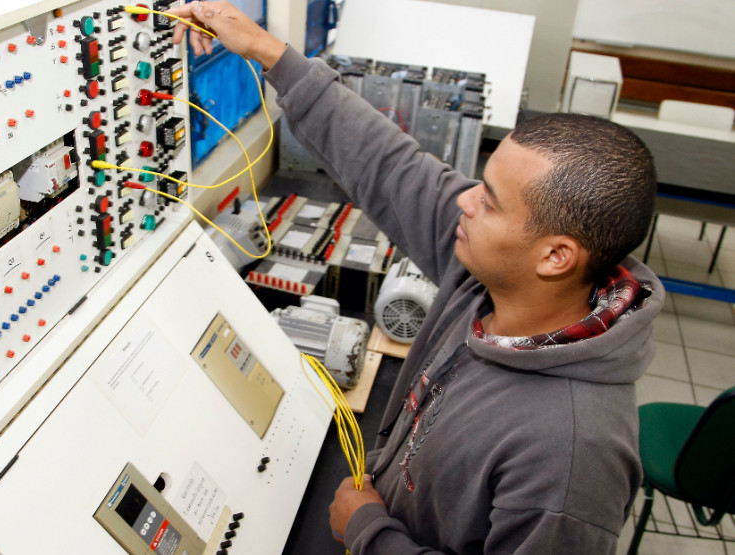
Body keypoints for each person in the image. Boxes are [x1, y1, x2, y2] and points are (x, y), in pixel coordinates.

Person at [168, 2, 664, 553]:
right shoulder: (499, 281)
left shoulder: (572, 455)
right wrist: (271, 54)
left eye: (490, 202)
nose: (465, 202)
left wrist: (370, 533)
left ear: (556, 256)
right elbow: (390, 164)